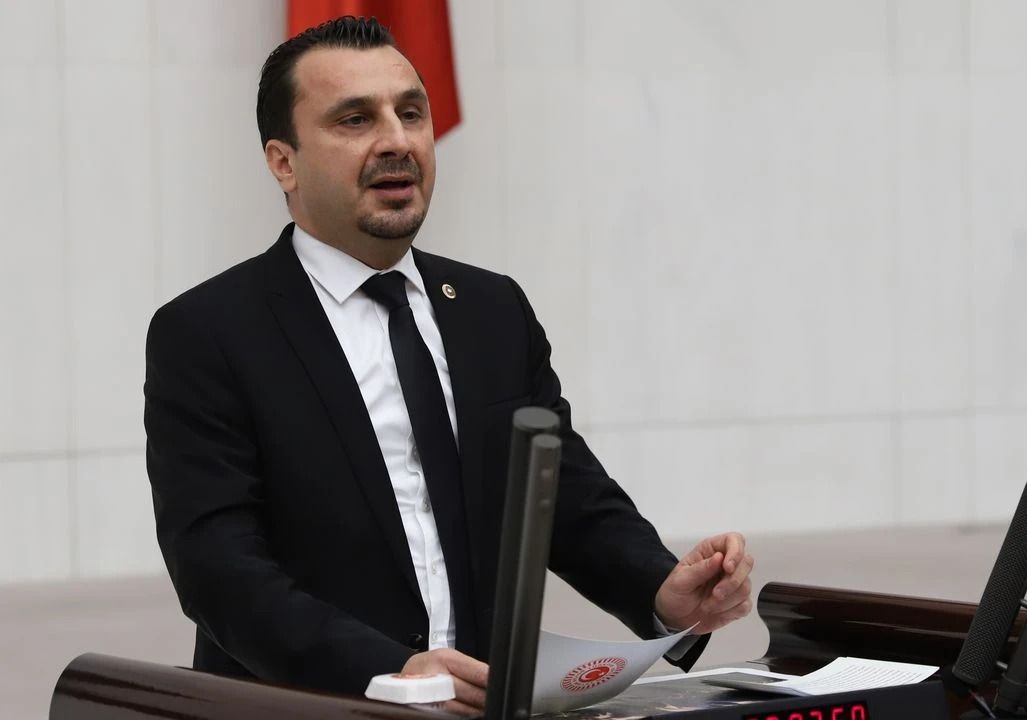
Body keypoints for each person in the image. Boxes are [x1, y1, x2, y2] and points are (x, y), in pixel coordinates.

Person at [143, 16, 754, 715]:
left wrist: (660, 591)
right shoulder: (209, 333)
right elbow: (218, 570)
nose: (397, 141)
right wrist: (389, 672)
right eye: (355, 120)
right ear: (284, 162)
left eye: (411, 113)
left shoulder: (492, 309)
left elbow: (561, 495)